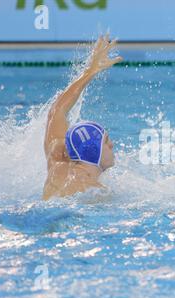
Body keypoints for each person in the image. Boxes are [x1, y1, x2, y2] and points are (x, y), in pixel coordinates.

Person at [43, 35, 123, 200]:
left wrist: (90, 71)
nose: (112, 145)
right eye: (106, 142)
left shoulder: (57, 165)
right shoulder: (96, 192)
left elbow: (56, 111)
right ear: (94, 151)